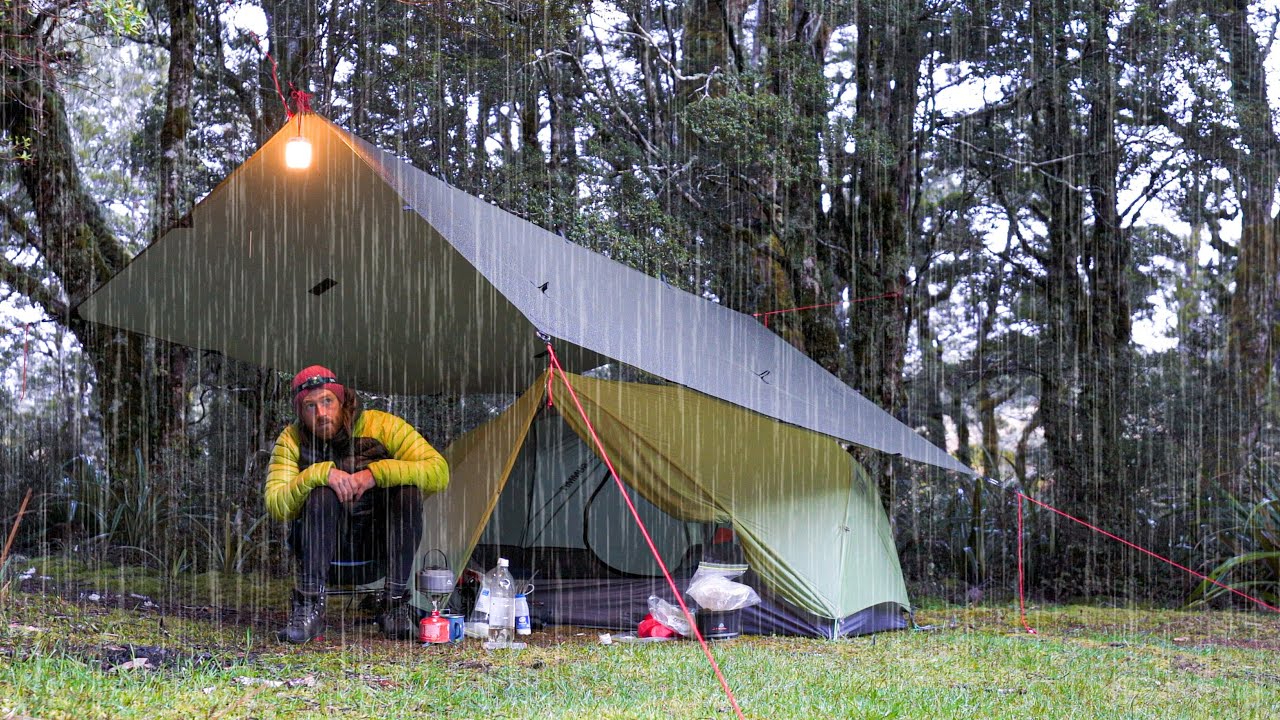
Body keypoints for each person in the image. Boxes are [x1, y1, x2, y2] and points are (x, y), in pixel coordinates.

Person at [265, 365, 449, 643]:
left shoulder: (383, 426)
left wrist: (376, 474)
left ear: (342, 401)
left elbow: (438, 472)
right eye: (309, 406)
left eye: (327, 401)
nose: (321, 414)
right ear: (300, 413)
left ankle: (394, 603)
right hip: (323, 550)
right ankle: (309, 608)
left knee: (407, 490)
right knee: (321, 493)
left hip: (377, 549)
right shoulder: (291, 439)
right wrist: (320, 474)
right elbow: (277, 504)